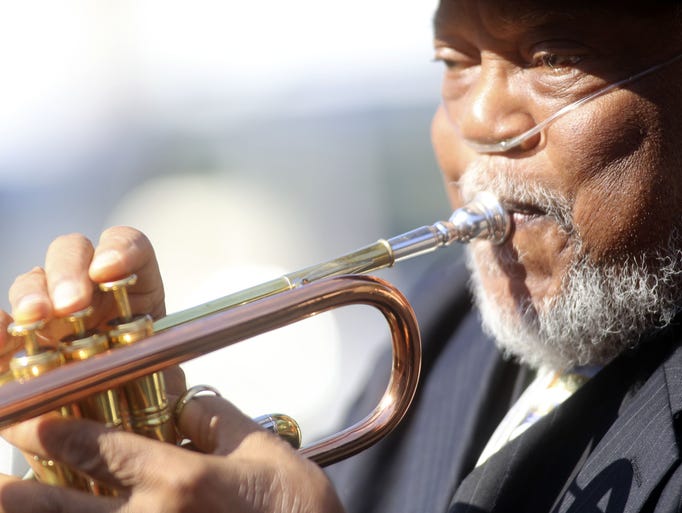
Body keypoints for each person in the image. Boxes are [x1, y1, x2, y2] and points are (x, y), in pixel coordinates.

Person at [1, 0, 682, 511]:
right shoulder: (436, 327)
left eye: (554, 58)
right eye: (453, 63)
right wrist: (149, 444)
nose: (478, 123)